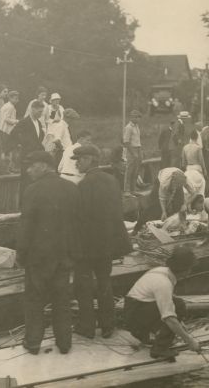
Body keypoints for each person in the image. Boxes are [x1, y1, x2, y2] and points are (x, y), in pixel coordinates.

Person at [16, 151, 80, 355]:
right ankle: (65, 343)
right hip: (64, 255)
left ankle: (33, 342)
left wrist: (21, 254)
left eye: (31, 165)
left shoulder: (32, 190)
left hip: (39, 257)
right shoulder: (71, 188)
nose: (28, 170)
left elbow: (26, 226)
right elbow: (78, 224)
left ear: (44, 166)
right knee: (62, 300)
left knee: (34, 299)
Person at [73, 144, 132, 339]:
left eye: (80, 160)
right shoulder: (112, 180)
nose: (77, 164)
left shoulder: (83, 185)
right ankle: (108, 326)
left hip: (87, 246)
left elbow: (80, 218)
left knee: (84, 286)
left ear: (90, 159)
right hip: (107, 244)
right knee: (105, 283)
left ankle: (87, 326)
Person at [125, 246, 201, 359]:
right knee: (178, 306)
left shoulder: (162, 271)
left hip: (133, 309)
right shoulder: (163, 283)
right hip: (135, 315)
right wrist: (190, 341)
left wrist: (181, 325)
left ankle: (144, 335)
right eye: (190, 268)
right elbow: (169, 318)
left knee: (176, 302)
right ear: (185, 269)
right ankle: (159, 349)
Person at [134, 167, 193, 231]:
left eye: (180, 185)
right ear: (173, 182)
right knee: (156, 205)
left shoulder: (184, 180)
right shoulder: (164, 182)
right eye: (177, 185)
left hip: (175, 178)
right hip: (160, 181)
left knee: (179, 205)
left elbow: (194, 193)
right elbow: (162, 198)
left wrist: (185, 204)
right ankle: (138, 227)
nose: (178, 187)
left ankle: (180, 225)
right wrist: (164, 211)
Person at [9, 100, 45, 193]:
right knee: (25, 183)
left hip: (36, 158)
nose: (41, 114)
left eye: (42, 112)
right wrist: (22, 144)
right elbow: (13, 135)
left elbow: (39, 139)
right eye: (39, 111)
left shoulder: (39, 123)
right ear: (32, 109)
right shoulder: (24, 122)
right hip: (27, 158)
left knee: (35, 183)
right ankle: (22, 205)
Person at [0, 90, 20, 171]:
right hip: (5, 130)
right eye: (15, 98)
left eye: (18, 98)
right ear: (10, 98)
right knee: (7, 149)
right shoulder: (10, 107)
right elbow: (6, 119)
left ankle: (6, 168)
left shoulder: (6, 105)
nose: (17, 100)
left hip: (3, 130)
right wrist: (16, 121)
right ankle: (6, 168)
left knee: (5, 149)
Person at [123, 110, 143, 195]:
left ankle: (133, 189)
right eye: (135, 117)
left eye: (138, 117)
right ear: (131, 117)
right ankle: (127, 190)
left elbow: (138, 140)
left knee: (136, 170)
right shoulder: (129, 127)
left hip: (138, 148)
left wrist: (140, 151)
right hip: (132, 149)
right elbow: (126, 142)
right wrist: (133, 152)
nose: (137, 119)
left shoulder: (136, 126)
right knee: (130, 170)